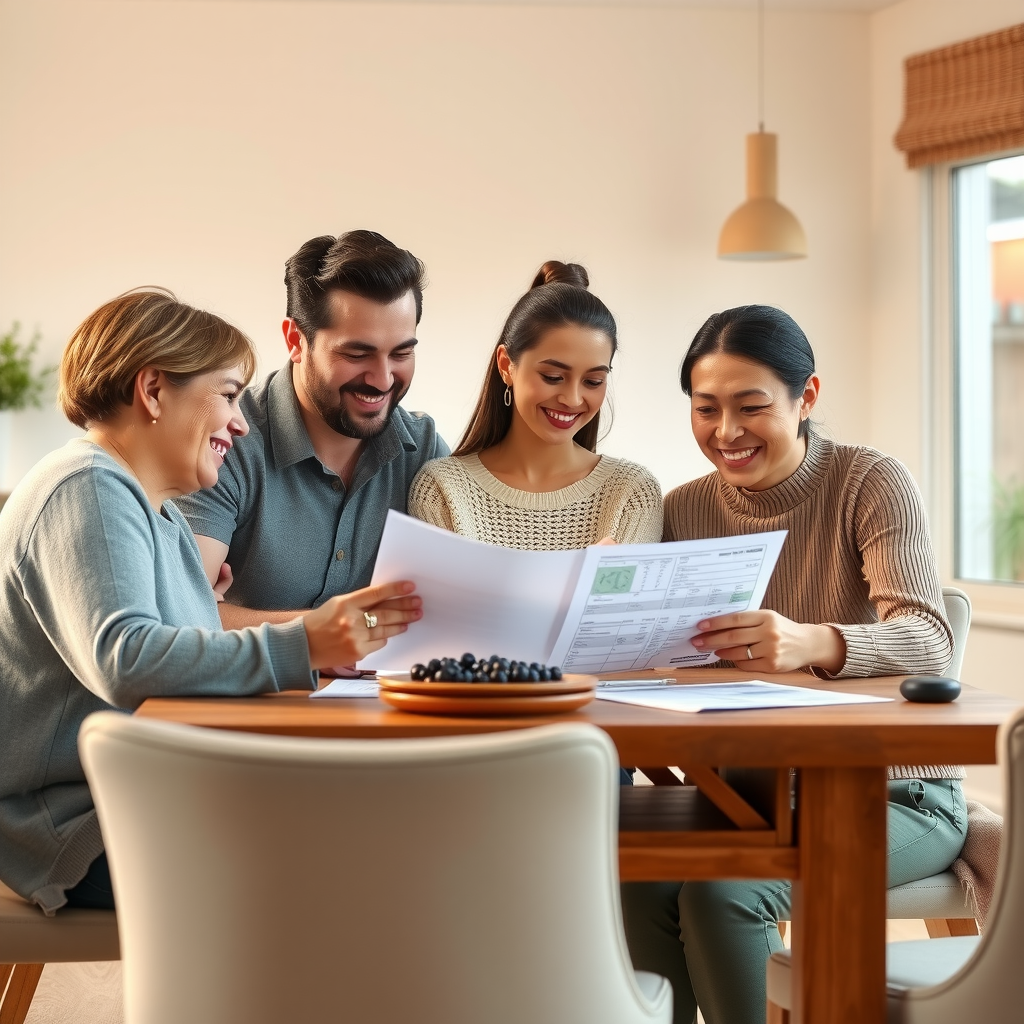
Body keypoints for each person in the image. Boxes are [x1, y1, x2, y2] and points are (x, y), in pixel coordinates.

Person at [0, 289, 421, 914]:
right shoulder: (87, 485)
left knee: (376, 831)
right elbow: (126, 660)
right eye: (227, 395)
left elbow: (169, 656)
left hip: (140, 797)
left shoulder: (154, 511)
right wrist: (307, 641)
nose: (241, 421)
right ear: (153, 391)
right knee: (358, 862)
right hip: (81, 825)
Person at [621, 305, 964, 1024]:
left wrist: (814, 643)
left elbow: (928, 638)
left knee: (725, 895)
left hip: (897, 795)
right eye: (705, 408)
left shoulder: (870, 482)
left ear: (806, 397)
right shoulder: (682, 510)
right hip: (749, 798)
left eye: (751, 407)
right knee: (638, 878)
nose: (725, 432)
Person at [174, 230, 448, 628]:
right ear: (296, 341)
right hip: (244, 691)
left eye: (402, 352)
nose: (383, 379)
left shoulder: (423, 449)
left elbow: (453, 607)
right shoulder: (227, 441)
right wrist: (329, 635)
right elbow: (185, 615)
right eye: (357, 353)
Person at [408, 260, 662, 549]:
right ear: (506, 366)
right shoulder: (442, 489)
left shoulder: (632, 493)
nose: (573, 399)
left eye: (593, 381)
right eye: (553, 377)